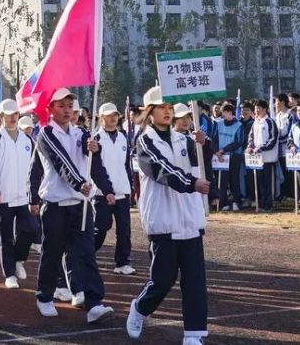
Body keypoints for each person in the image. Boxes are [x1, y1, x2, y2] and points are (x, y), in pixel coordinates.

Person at [127, 86, 210, 345]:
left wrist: (204, 146)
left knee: (195, 280)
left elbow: (203, 167)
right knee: (163, 279)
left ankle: (194, 334)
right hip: (163, 220)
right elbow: (163, 171)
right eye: (161, 107)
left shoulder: (184, 139)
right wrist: (190, 183)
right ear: (149, 112)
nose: (167, 111)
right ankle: (140, 308)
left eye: (169, 107)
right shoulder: (144, 141)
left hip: (189, 218)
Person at [30, 87, 114, 324]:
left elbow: (95, 166)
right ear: (51, 110)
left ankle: (94, 302)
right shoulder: (45, 134)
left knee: (85, 253)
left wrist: (106, 189)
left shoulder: (83, 134)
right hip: (55, 204)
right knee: (53, 253)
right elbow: (60, 162)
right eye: (61, 106)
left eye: (70, 106)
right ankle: (45, 296)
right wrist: (79, 183)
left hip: (80, 205)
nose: (67, 111)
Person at [0, 98, 39, 289]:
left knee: (31, 229)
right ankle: (9, 274)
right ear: (1, 117)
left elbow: (35, 169)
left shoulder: (27, 140)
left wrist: (35, 193)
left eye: (15, 115)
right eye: (8, 115)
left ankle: (18, 259)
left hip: (24, 197)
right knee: (6, 236)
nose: (12, 118)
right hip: (4, 196)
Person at [90, 101, 135, 275]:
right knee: (101, 228)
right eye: (109, 116)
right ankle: (86, 255)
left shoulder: (123, 137)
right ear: (101, 118)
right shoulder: (95, 138)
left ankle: (122, 262)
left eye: (115, 115)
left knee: (124, 230)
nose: (113, 119)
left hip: (122, 190)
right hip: (102, 193)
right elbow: (94, 167)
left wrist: (129, 186)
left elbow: (126, 165)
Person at [246, 100, 278, 213]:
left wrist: (262, 148)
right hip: (257, 158)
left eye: (259, 108)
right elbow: (251, 137)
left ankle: (269, 204)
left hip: (268, 157)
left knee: (268, 182)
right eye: (255, 109)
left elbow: (273, 138)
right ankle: (263, 203)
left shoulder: (269, 122)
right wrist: (250, 146)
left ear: (265, 109)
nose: (256, 111)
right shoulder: (256, 122)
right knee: (260, 182)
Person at [214, 104, 243, 211]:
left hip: (234, 156)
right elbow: (214, 138)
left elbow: (238, 142)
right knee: (222, 180)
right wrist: (217, 151)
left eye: (225, 112)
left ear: (231, 113)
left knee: (234, 180)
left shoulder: (238, 125)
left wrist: (224, 150)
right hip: (220, 156)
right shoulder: (218, 124)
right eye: (223, 112)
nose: (223, 114)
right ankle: (223, 203)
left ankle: (236, 202)